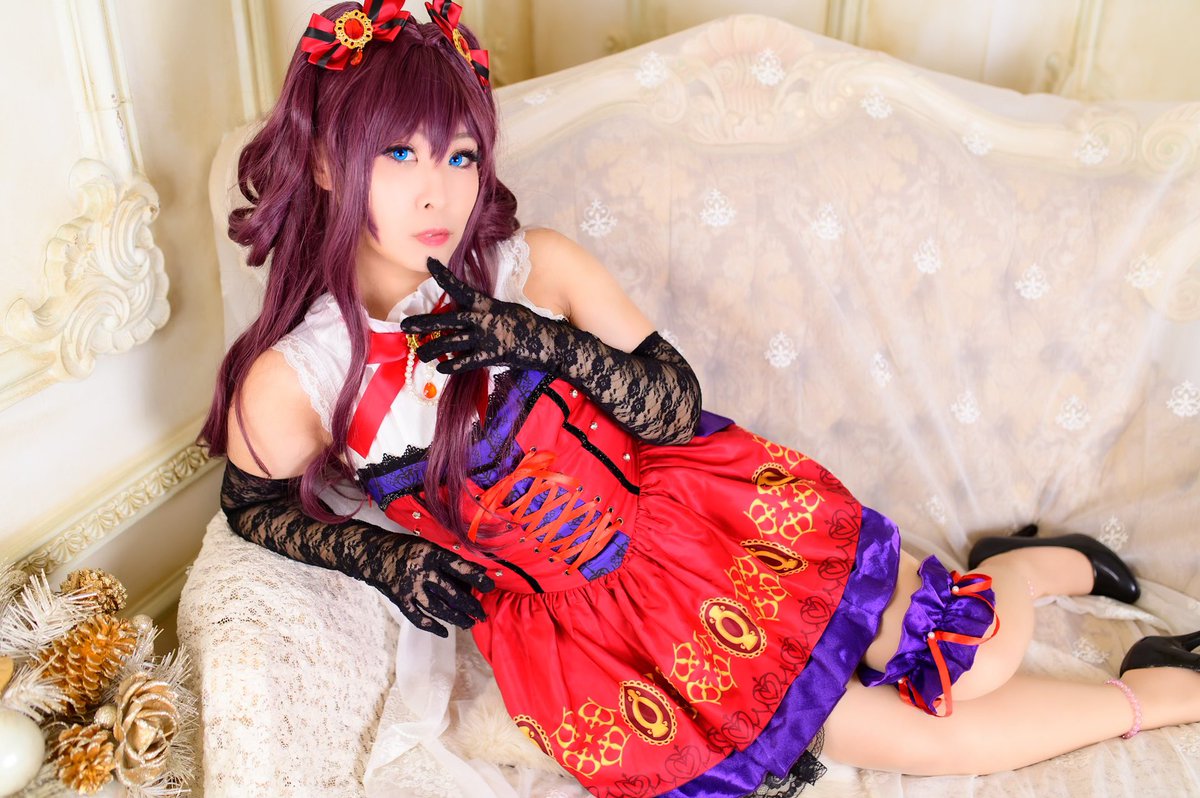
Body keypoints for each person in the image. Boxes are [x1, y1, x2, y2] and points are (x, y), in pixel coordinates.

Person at [200, 2, 1200, 795]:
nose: (440, 192)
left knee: (974, 663)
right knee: (918, 741)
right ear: (326, 161)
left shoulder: (534, 265)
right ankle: (1165, 694)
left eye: (460, 154)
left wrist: (539, 342)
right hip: (596, 641)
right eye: (401, 154)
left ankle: (1031, 564)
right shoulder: (301, 378)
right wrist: (384, 557)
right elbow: (249, 506)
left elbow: (675, 403)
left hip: (707, 528)